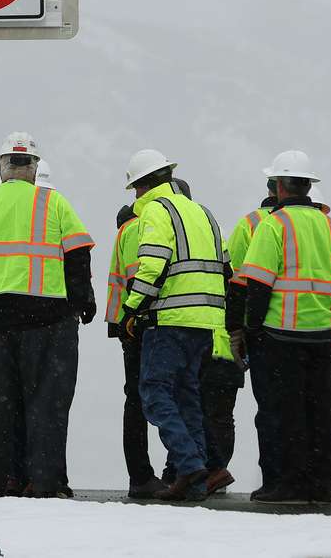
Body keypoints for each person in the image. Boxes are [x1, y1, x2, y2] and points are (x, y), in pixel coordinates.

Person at [0, 132, 95, 498]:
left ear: (1, 167)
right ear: (34, 168)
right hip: (47, 323)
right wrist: (80, 303)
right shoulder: (53, 203)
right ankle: (45, 485)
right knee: (46, 408)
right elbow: (78, 255)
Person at [238, 150, 331, 504]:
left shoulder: (273, 224)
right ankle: (328, 482)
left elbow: (257, 284)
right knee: (319, 410)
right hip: (319, 336)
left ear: (279, 186)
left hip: (278, 335)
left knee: (279, 411)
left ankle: (286, 482)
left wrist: (251, 331)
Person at [119, 150, 229, 503]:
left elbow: (152, 264)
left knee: (153, 392)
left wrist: (130, 309)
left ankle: (189, 462)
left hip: (170, 318)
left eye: (135, 188)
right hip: (206, 320)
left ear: (142, 184)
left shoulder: (156, 210)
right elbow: (226, 266)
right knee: (187, 396)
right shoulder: (203, 211)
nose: (135, 196)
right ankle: (194, 481)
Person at [224, 172, 279, 499]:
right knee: (310, 409)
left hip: (264, 329)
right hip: (310, 332)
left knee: (269, 407)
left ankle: (275, 479)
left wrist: (240, 329)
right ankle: (307, 477)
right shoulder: (322, 225)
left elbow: (236, 280)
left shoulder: (251, 224)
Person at [104, 199, 163, 498]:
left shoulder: (128, 230)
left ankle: (142, 475)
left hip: (129, 325)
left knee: (138, 400)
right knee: (160, 397)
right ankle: (160, 474)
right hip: (147, 323)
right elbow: (142, 277)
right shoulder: (141, 228)